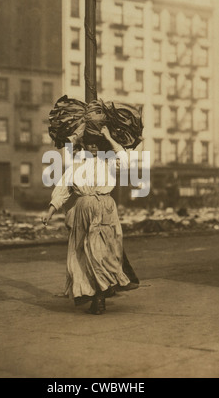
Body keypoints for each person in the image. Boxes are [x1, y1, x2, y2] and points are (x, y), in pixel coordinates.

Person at [42, 126, 138, 315]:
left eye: (97, 144)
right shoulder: (76, 167)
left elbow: (126, 162)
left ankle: (100, 296)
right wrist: (50, 212)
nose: (93, 147)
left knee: (102, 253)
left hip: (105, 209)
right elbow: (62, 190)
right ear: (84, 146)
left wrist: (109, 137)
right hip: (83, 210)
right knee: (84, 255)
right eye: (89, 144)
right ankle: (96, 296)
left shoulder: (108, 162)